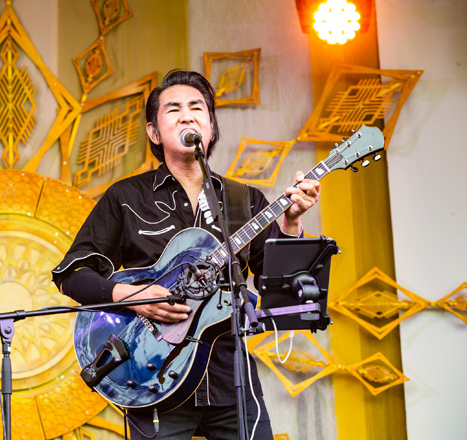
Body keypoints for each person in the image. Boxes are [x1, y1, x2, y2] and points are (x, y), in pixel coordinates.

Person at [52, 70, 321, 439]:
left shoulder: (245, 200)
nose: (186, 116)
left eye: (197, 108)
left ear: (210, 127)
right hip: (152, 378)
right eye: (173, 109)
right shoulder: (126, 198)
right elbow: (72, 276)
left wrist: (291, 222)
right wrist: (135, 297)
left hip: (231, 378)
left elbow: (285, 292)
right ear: (153, 132)